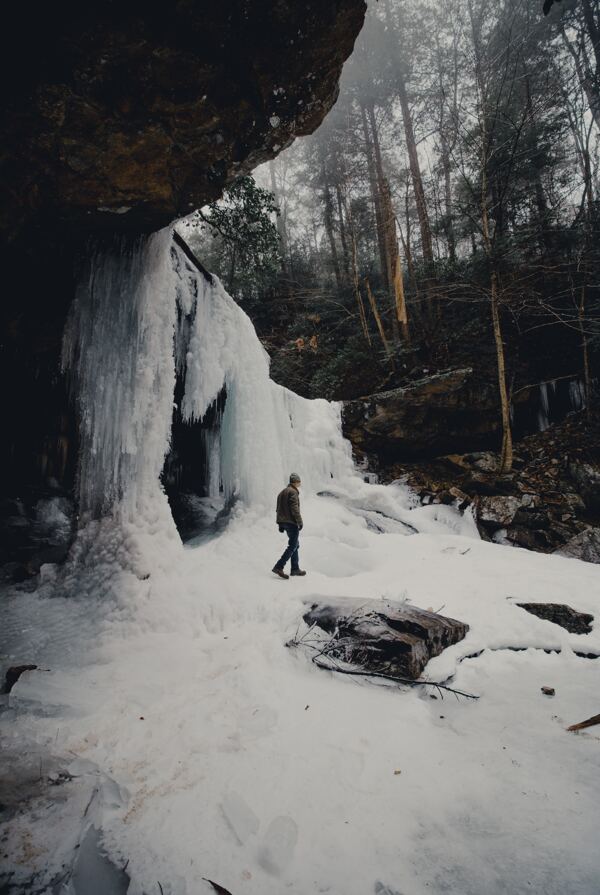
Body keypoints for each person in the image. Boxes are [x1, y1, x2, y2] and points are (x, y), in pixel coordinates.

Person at [272, 473, 307, 579]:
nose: (300, 483)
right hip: (291, 522)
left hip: (284, 522)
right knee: (292, 545)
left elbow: (278, 509)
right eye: (299, 481)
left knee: (295, 544)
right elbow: (294, 508)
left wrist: (280, 524)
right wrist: (299, 521)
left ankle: (295, 569)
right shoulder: (293, 492)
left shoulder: (282, 492)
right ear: (295, 482)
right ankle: (279, 566)